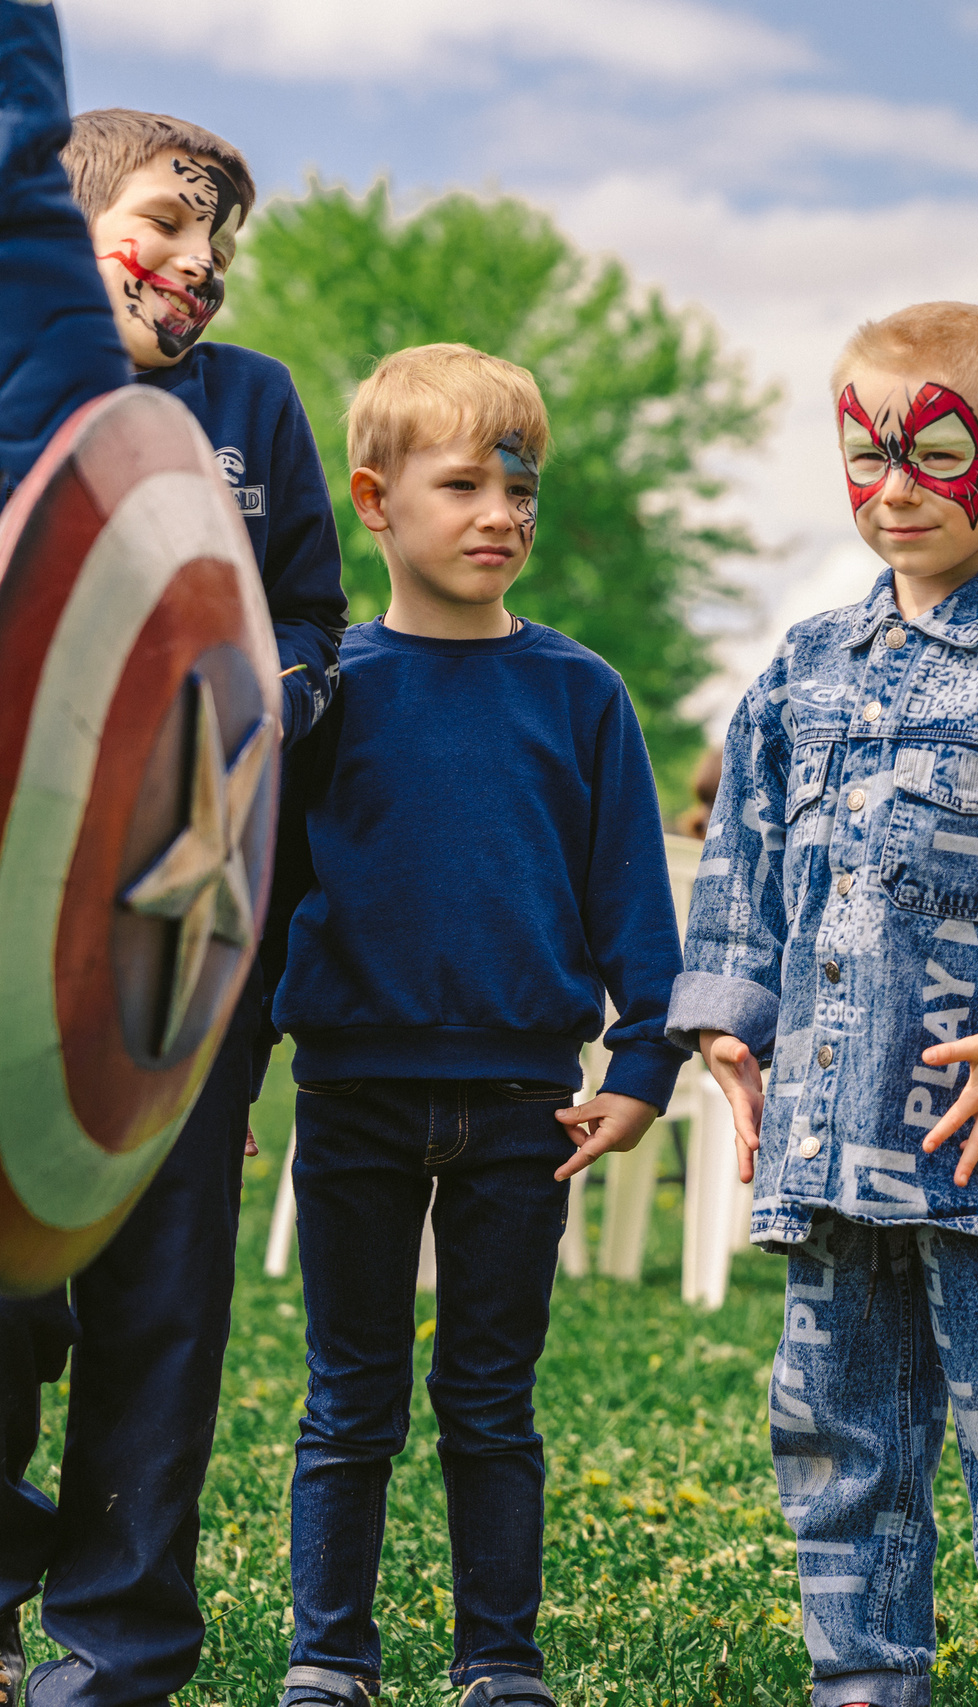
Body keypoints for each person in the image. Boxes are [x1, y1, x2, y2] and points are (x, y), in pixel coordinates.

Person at [673, 301, 978, 1707]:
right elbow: (747, 852)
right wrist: (727, 1017)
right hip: (831, 1124)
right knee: (835, 1415)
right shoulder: (804, 667)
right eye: (865, 452)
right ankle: (865, 1671)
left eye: (933, 454)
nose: (894, 488)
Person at [0, 25, 348, 1707]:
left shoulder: (251, 406)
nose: (202, 261)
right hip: (13, 945)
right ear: (58, 233)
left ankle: (117, 1649)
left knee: (161, 1310)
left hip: (184, 954)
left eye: (222, 239)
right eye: (169, 218)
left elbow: (314, 621)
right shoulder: (23, 410)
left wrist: (260, 691)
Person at [265, 344, 686, 1707]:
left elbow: (633, 896)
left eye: (523, 486)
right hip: (354, 1092)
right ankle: (330, 1650)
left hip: (525, 1102)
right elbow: (259, 883)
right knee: (352, 1396)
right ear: (376, 502)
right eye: (465, 484)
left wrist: (642, 1061)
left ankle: (499, 1656)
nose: (502, 511)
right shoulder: (328, 695)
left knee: (492, 1399)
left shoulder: (582, 694)